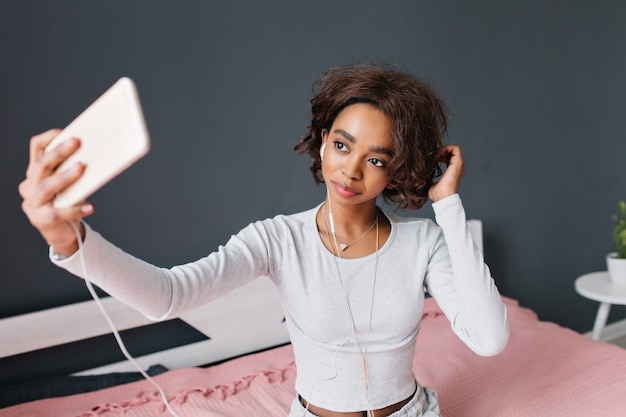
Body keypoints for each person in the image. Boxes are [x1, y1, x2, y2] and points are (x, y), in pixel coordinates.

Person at [19, 64, 509, 417]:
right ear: (322, 140)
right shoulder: (279, 239)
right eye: (342, 144)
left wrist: (448, 204)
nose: (352, 170)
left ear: (396, 169)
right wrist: (68, 238)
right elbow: (168, 296)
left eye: (377, 159)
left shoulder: (422, 241)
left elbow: (489, 340)